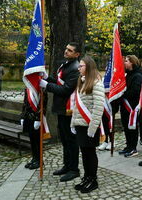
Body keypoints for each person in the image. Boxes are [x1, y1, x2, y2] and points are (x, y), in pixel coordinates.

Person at [39, 42, 80, 182]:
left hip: (68, 110)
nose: (66, 51)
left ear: (77, 54)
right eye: (66, 48)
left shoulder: (75, 68)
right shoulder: (66, 64)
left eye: (70, 50)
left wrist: (47, 86)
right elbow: (59, 82)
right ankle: (67, 165)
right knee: (64, 139)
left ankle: (74, 169)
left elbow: (66, 89)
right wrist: (47, 78)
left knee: (71, 140)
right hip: (62, 109)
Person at [70, 56, 104, 193]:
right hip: (80, 124)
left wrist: (93, 128)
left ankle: (93, 180)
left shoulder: (96, 83)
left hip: (90, 126)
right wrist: (73, 123)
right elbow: (77, 106)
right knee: (84, 153)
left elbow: (98, 108)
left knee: (90, 153)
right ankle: (86, 177)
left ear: (89, 67)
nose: (79, 68)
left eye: (81, 66)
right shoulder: (82, 82)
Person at [119, 55, 142, 157]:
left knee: (132, 128)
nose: (124, 63)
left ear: (132, 63)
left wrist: (121, 94)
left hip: (132, 106)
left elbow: (135, 91)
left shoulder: (138, 75)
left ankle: (133, 148)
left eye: (126, 61)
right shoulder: (128, 74)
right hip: (125, 106)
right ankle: (128, 146)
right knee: (126, 127)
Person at [21, 88, 47, 170]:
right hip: (28, 116)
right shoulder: (28, 87)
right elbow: (25, 102)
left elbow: (43, 103)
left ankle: (39, 160)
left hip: (36, 116)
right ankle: (34, 158)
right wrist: (22, 116)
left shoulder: (40, 87)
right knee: (31, 138)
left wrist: (38, 118)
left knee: (37, 139)